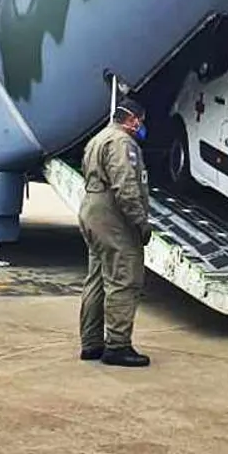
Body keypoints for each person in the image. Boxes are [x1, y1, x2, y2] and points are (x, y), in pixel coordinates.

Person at [78, 99, 153, 367]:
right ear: (133, 120)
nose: (141, 127)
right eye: (140, 122)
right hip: (113, 217)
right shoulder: (122, 143)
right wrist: (140, 222)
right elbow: (126, 185)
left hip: (92, 210)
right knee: (123, 278)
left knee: (97, 279)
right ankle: (118, 346)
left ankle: (91, 343)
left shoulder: (98, 138)